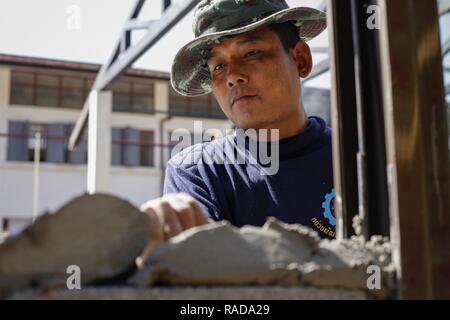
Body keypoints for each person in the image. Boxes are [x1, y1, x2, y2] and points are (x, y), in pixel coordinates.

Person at [141, 0, 336, 245]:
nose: (233, 76)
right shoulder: (198, 172)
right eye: (219, 66)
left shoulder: (358, 157)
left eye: (252, 53)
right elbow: (199, 264)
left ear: (300, 59)